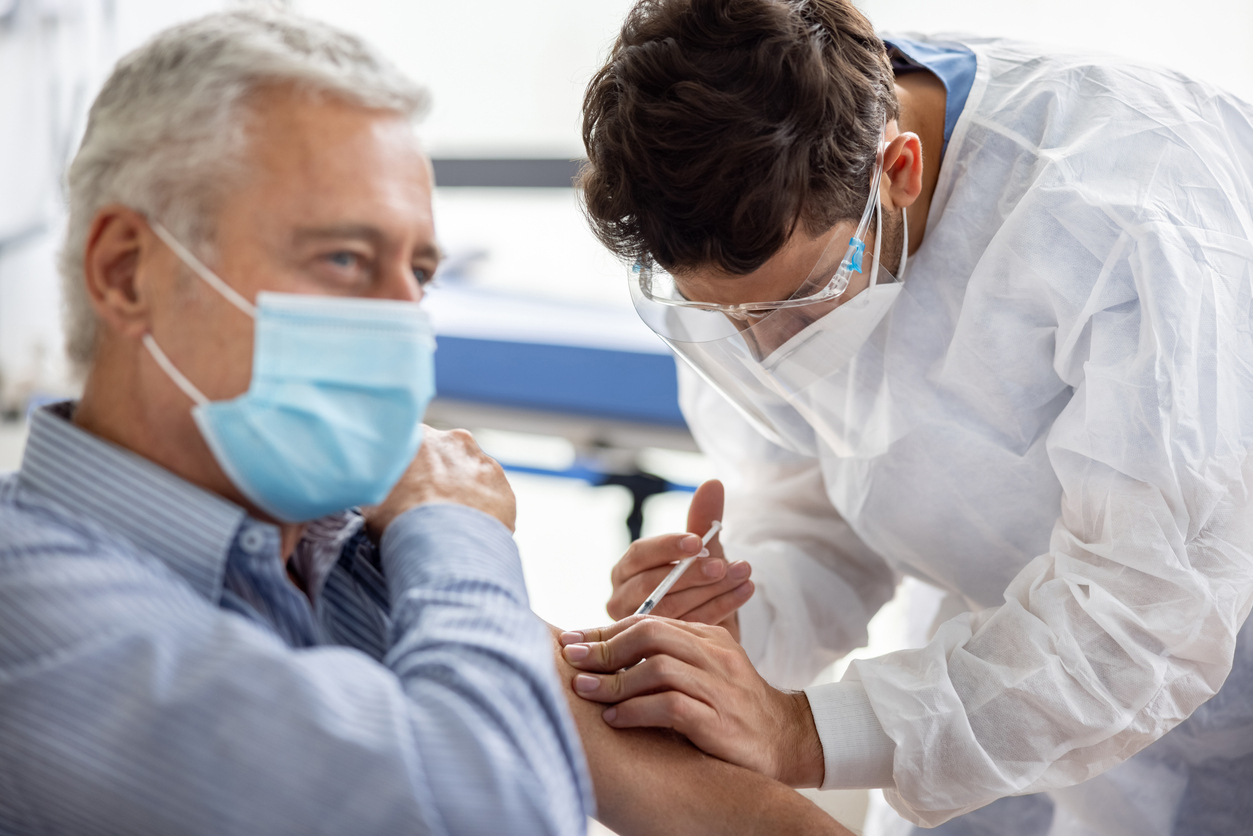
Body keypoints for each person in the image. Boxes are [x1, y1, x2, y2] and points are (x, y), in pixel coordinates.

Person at [0, 10, 854, 835]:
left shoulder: (342, 545)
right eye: (343, 258)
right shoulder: (28, 609)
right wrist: (455, 529)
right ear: (125, 273)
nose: (402, 321)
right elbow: (489, 812)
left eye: (417, 273)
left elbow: (721, 817)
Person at [564, 0, 1253, 833]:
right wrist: (738, 619)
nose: (760, 351)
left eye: (798, 301)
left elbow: (1148, 613)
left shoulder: (1124, 207)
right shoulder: (738, 228)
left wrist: (804, 732)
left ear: (898, 172)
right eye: (719, 314)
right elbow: (830, 512)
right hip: (1006, 643)